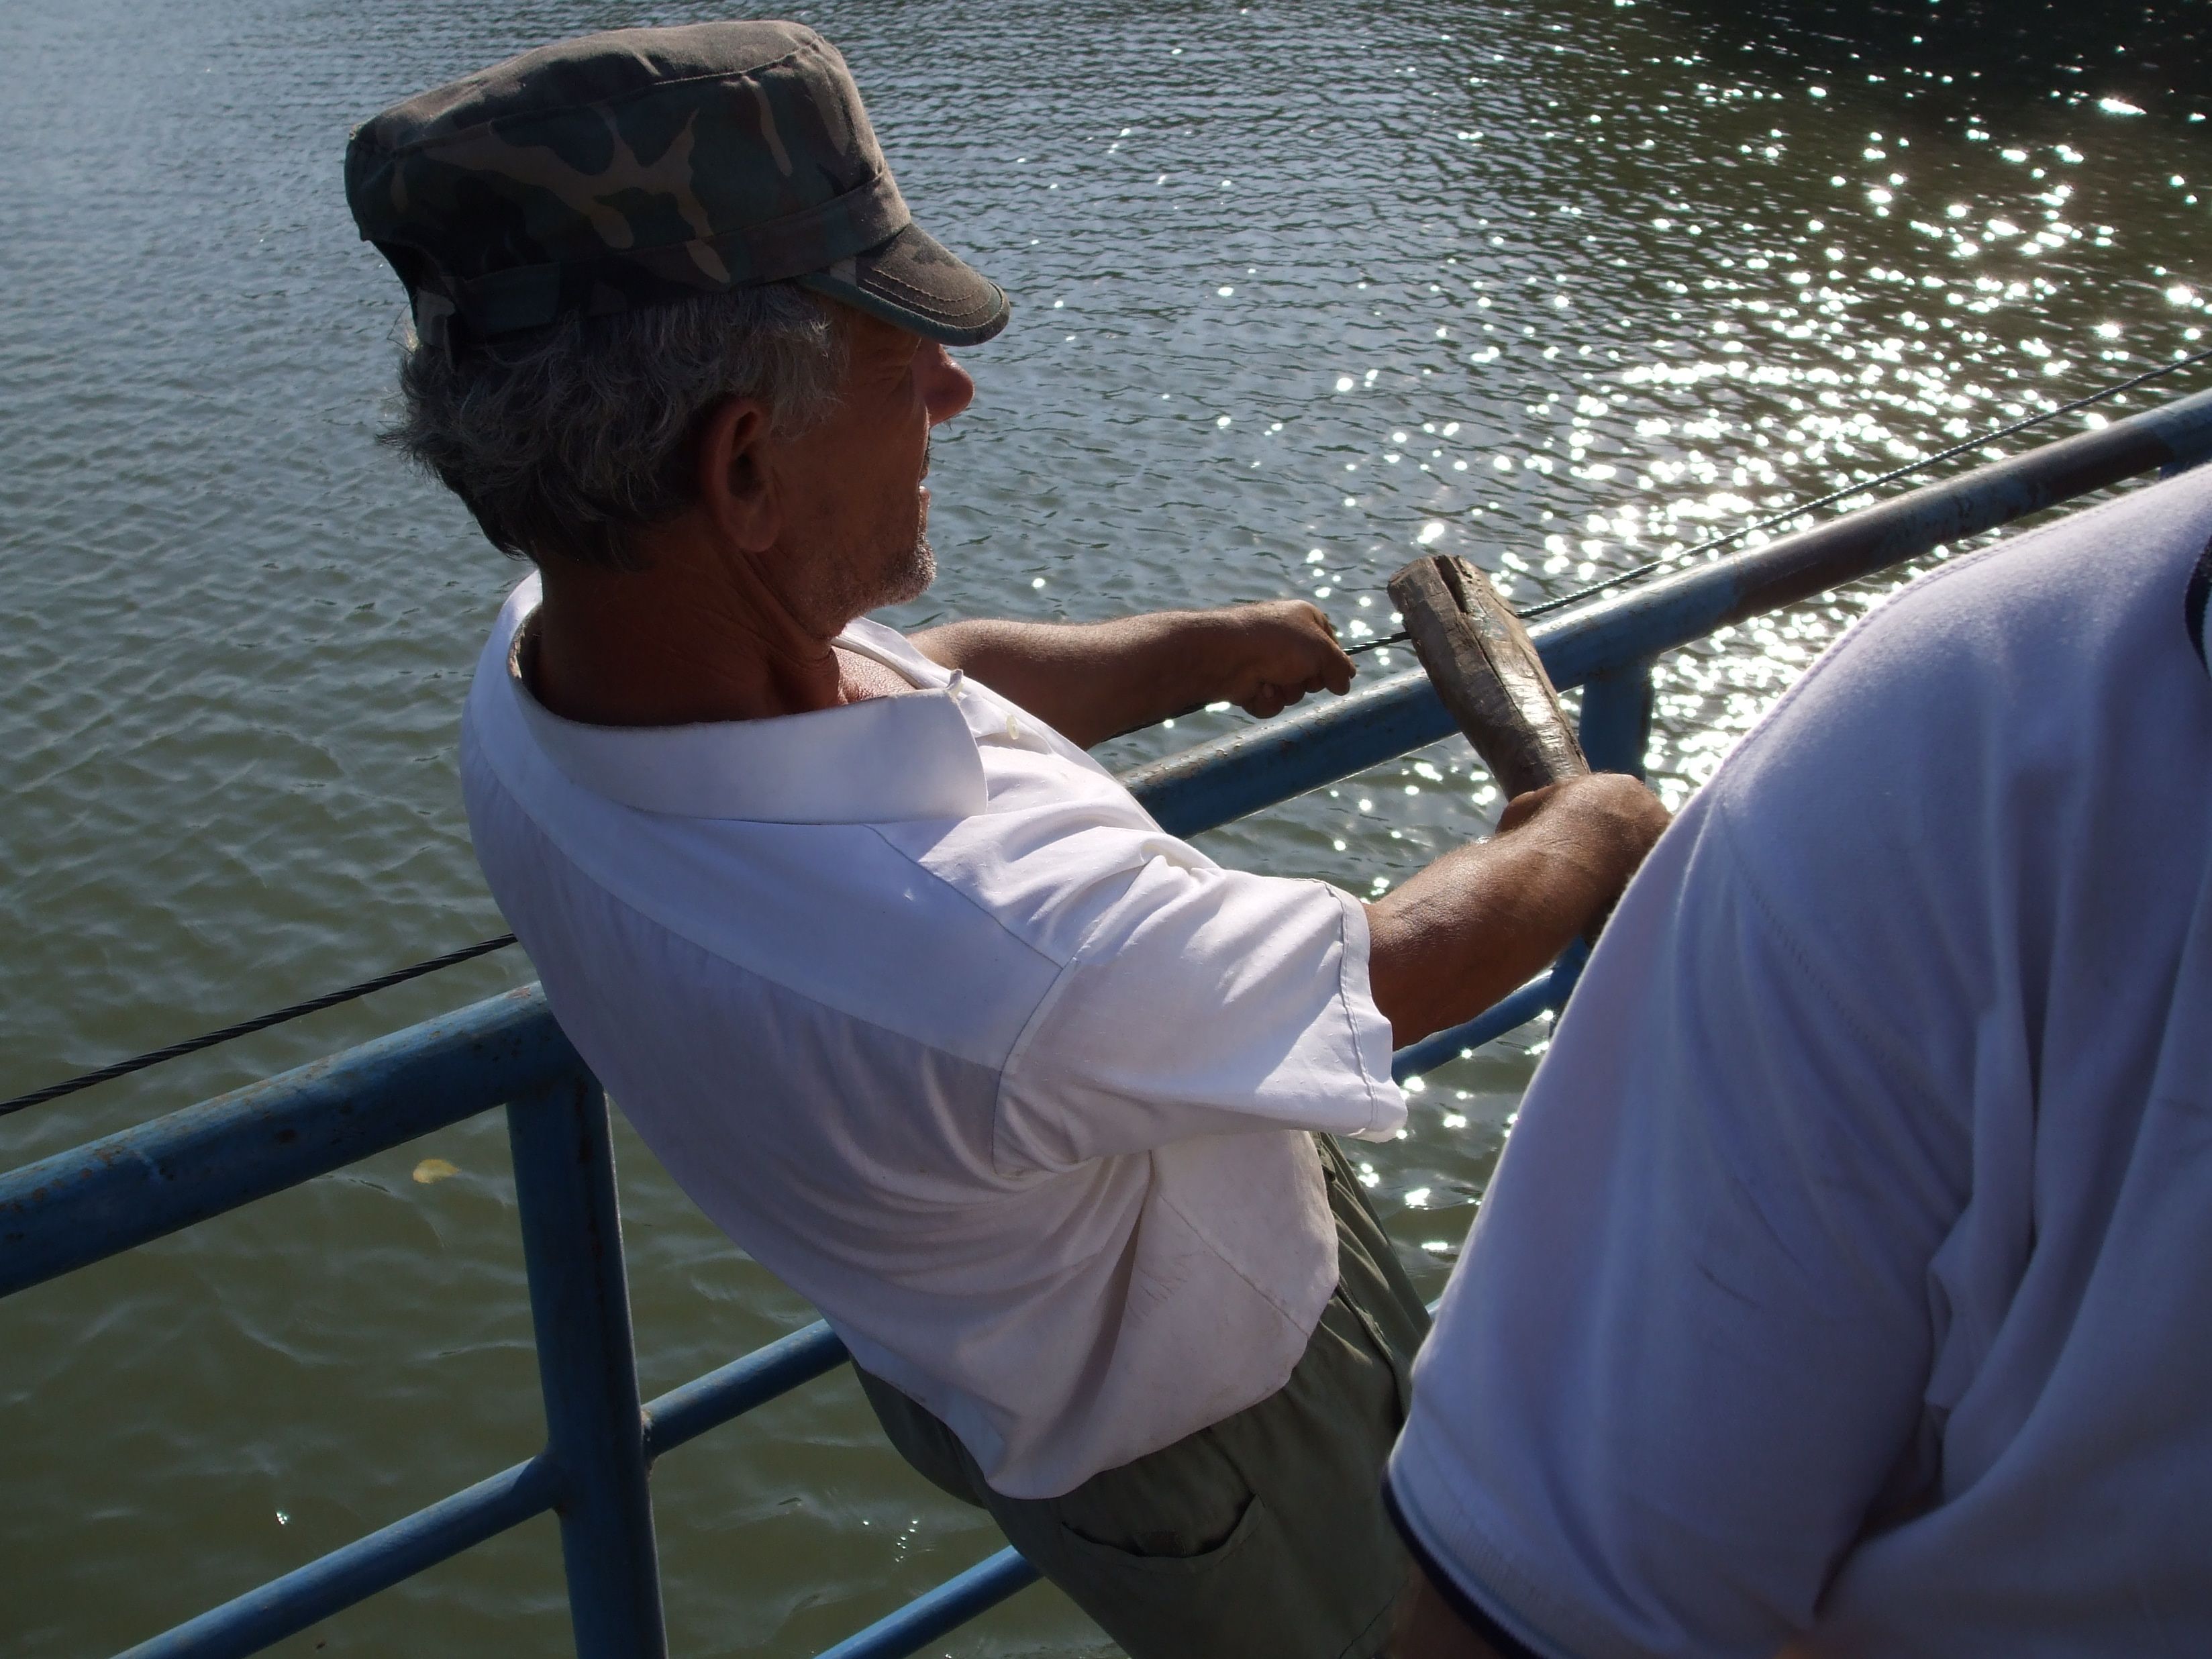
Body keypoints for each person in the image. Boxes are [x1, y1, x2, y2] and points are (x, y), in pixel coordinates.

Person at [346, 23, 1668, 1658]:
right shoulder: (992, 958)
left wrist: (1191, 651)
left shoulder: (557, 651)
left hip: (988, 1350)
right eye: (900, 357)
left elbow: (919, 676)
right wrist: (1593, 816)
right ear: (743, 466)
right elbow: (1399, 969)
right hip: (1230, 1435)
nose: (951, 392)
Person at [1386, 464, 2212, 1658]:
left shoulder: (1959, 730)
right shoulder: (1963, 739)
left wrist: (1581, 838)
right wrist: (1589, 834)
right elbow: (1552, 1598)